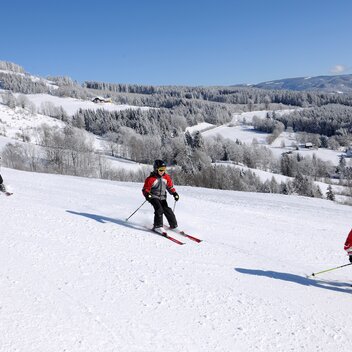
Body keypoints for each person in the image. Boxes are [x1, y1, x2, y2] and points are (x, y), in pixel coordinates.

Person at [142, 160, 179, 230]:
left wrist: (174, 193)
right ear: (156, 169)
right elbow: (145, 189)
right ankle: (157, 226)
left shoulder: (166, 177)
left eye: (164, 169)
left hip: (162, 197)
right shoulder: (151, 179)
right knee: (159, 209)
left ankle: (173, 225)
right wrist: (147, 195)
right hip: (153, 197)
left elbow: (170, 187)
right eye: (161, 170)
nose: (162, 171)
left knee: (167, 209)